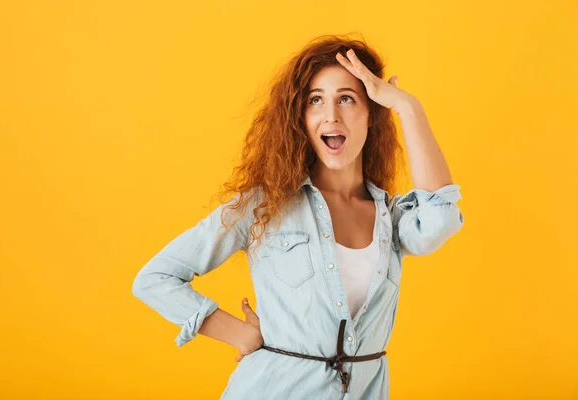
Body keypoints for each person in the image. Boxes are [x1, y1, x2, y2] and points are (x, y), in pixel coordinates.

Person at [132, 34, 465, 400]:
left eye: (347, 99)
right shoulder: (264, 205)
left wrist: (407, 107)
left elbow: (439, 220)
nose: (331, 115)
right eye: (315, 100)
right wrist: (238, 333)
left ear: (372, 114)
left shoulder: (390, 219)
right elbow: (155, 278)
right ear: (301, 118)